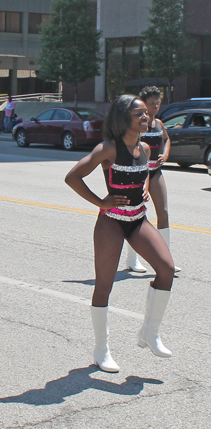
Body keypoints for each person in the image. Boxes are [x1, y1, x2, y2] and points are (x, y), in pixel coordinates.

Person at [65, 94, 174, 373]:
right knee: (104, 285)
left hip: (138, 219)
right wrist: (101, 202)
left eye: (145, 114)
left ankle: (150, 333)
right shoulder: (108, 149)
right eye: (139, 114)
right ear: (124, 117)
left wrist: (145, 187)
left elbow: (145, 173)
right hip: (111, 222)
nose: (145, 117)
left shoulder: (146, 149)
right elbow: (72, 177)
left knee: (166, 269)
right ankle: (101, 349)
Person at [125, 86, 181, 273]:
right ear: (142, 104)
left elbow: (166, 139)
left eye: (158, 103)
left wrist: (165, 155)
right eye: (152, 103)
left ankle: (166, 259)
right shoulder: (136, 124)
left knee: (163, 212)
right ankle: (132, 259)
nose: (156, 106)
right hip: (139, 175)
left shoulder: (159, 123)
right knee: (136, 215)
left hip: (155, 172)